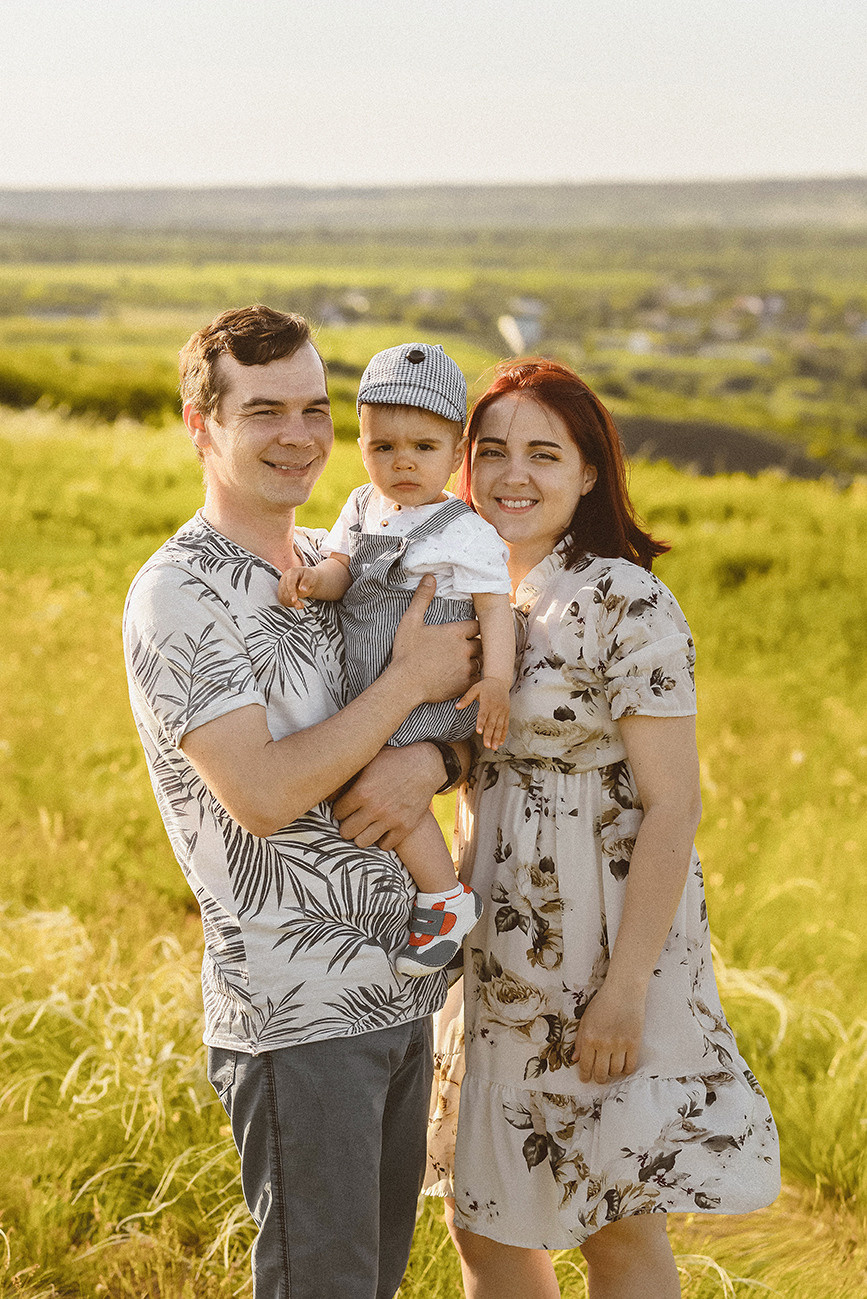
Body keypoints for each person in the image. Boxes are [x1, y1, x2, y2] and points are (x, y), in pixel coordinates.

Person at [122, 305, 482, 1299]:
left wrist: (436, 760)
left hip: (403, 991)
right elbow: (265, 794)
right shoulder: (180, 594)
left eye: (316, 409)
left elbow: (451, 713)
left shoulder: (343, 557)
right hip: (297, 1016)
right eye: (264, 412)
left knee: (372, 1283)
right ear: (201, 426)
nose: (299, 436)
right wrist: (406, 686)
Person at [425, 359, 781, 1299]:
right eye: (491, 450)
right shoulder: (469, 593)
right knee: (483, 1221)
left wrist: (623, 995)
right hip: (496, 948)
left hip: (599, 953)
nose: (512, 474)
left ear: (588, 473)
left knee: (613, 1219)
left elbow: (673, 806)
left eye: (543, 454)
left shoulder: (622, 597)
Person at [278, 343, 515, 976]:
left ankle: (443, 897)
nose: (402, 462)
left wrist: (497, 680)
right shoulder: (362, 507)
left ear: (457, 454)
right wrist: (313, 581)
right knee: (358, 758)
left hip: (435, 692)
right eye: (384, 447)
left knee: (375, 764)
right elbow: (341, 569)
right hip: (375, 682)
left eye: (423, 447)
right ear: (361, 447)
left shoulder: (466, 532)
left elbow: (494, 611)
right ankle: (412, 891)